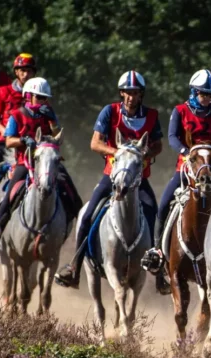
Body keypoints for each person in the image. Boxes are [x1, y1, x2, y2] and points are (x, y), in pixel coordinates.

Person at [53, 70, 163, 288]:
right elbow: (95, 143)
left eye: (135, 93)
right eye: (127, 92)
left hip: (139, 180)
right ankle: (74, 267)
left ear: (141, 94)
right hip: (111, 177)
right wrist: (120, 153)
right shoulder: (109, 112)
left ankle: (159, 274)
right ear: (121, 93)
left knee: (153, 212)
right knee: (87, 215)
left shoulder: (151, 115)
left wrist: (143, 155)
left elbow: (158, 145)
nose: (131, 97)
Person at [139, 69, 211, 291]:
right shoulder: (180, 111)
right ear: (193, 92)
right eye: (202, 94)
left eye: (210, 94)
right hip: (186, 168)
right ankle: (157, 251)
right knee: (163, 205)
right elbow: (171, 137)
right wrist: (186, 152)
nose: (206, 98)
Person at [0, 77, 82, 245]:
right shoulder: (16, 115)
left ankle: (78, 228)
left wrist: (53, 121)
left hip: (48, 161)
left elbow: (57, 138)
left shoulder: (49, 114)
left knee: (70, 192)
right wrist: (24, 141)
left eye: (45, 98)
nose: (43, 101)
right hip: (25, 162)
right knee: (11, 194)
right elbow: (9, 141)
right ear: (29, 96)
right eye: (39, 97)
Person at [0, 53, 37, 135]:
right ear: (16, 72)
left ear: (33, 73)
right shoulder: (4, 92)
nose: (26, 74)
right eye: (23, 70)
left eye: (29, 71)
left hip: (31, 137)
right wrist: (2, 129)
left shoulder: (39, 94)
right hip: (7, 137)